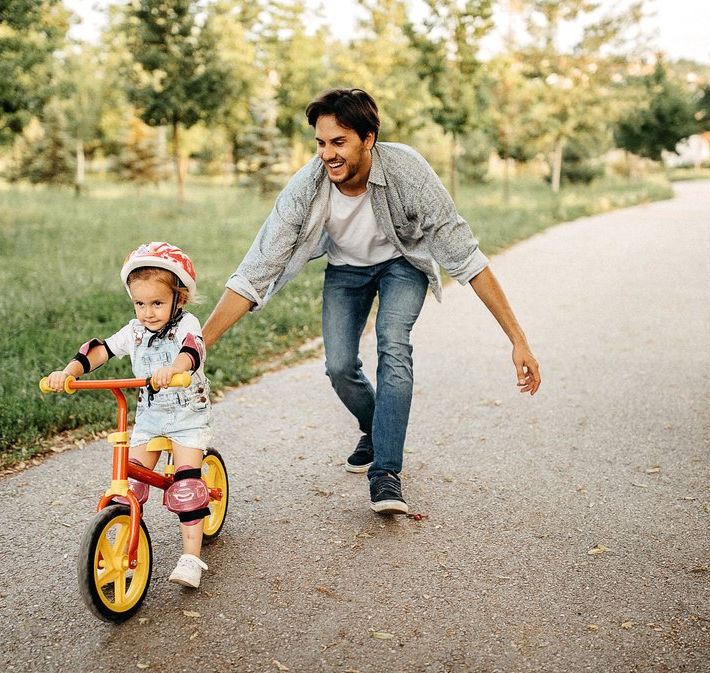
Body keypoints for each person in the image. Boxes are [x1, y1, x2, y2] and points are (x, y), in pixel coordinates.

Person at [201, 88, 540, 515]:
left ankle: (386, 472)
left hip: (402, 263)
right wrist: (200, 345)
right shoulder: (306, 187)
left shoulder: (407, 171)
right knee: (339, 366)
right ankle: (376, 427)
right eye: (321, 143)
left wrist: (518, 339)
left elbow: (466, 257)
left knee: (392, 342)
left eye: (339, 142)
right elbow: (256, 269)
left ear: (368, 138)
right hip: (345, 271)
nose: (327, 154)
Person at [45, 242, 214, 588]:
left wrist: (175, 368)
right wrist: (69, 372)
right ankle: (121, 549)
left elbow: (192, 349)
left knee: (185, 486)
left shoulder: (187, 324)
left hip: (187, 418)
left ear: (178, 300)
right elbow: (100, 350)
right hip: (150, 419)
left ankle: (191, 557)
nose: (148, 312)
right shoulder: (134, 332)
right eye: (140, 303)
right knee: (129, 485)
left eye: (157, 303)